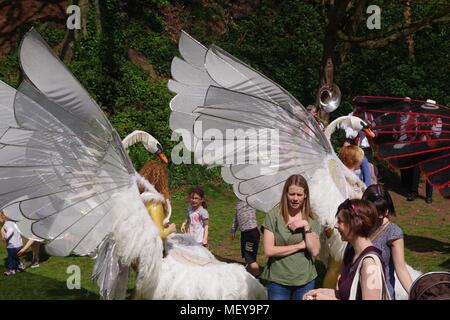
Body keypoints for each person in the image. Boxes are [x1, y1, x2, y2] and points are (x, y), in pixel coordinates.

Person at [303, 199, 390, 300]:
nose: (336, 226)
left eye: (340, 221)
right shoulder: (351, 252)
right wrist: (320, 292)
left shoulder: (370, 264)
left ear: (355, 224)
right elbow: (345, 295)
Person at [260, 174, 321, 300]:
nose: (295, 198)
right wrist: (300, 245)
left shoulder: (312, 219)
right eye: (292, 194)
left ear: (305, 195)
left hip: (305, 281)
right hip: (278, 281)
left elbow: (315, 251)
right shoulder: (273, 216)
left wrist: (305, 225)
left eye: (299, 195)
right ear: (285, 194)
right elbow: (268, 250)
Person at [362, 184, 413, 298]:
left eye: (384, 210)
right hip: (356, 291)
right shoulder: (358, 226)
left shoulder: (393, 232)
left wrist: (415, 293)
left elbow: (401, 269)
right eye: (376, 211)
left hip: (382, 295)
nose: (381, 216)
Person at [137, 161, 176, 245]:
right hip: (151, 249)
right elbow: (159, 234)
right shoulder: (154, 202)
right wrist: (171, 229)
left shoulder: (139, 199)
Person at [230, 200, 260, 277]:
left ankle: (257, 278)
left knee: (249, 257)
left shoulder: (251, 201)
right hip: (244, 233)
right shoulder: (238, 204)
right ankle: (250, 276)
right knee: (247, 256)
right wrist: (232, 231)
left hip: (252, 233)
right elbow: (235, 219)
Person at [1, 210, 24, 276]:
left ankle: (11, 270)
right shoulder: (14, 223)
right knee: (15, 256)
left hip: (12, 245)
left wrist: (5, 237)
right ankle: (20, 266)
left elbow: (10, 231)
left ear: (3, 216)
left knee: (10, 258)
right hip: (19, 244)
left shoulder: (6, 224)